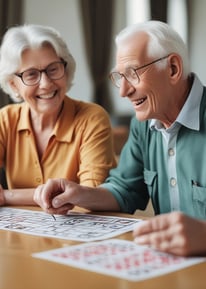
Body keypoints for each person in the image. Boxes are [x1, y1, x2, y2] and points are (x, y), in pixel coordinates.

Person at [34, 20, 206, 256]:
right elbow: (125, 190)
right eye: (119, 77)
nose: (123, 91)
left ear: (173, 68)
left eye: (133, 73)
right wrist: (79, 193)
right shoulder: (142, 125)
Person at [0, 24, 116, 206]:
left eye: (53, 69)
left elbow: (91, 194)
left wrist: (7, 196)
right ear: (14, 85)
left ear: (66, 69)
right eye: (31, 75)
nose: (46, 84)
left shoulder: (92, 118)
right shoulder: (5, 120)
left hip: (80, 231)